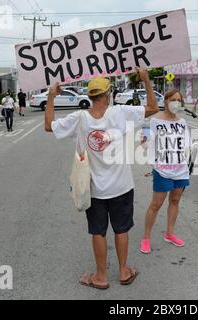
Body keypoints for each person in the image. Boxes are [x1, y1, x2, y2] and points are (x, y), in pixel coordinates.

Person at [45, 68, 159, 289]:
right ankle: (124, 271)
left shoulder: (79, 119)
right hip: (122, 186)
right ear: (108, 94)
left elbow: (49, 126)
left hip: (94, 189)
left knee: (98, 231)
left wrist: (51, 96)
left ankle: (101, 276)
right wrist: (145, 79)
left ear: (89, 96)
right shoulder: (120, 113)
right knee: (121, 229)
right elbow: (153, 108)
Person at [140, 88, 191, 254]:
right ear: (166, 101)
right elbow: (145, 143)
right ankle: (146, 237)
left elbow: (186, 144)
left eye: (178, 100)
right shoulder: (155, 121)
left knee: (175, 201)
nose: (175, 103)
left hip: (180, 169)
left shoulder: (182, 122)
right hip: (162, 169)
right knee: (156, 204)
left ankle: (169, 233)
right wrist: (144, 141)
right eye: (172, 99)